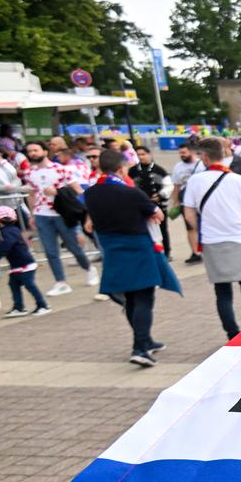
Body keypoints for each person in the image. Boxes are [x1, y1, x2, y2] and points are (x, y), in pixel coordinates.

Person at [83, 149, 179, 367]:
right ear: (121, 168)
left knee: (130, 299)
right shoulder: (132, 193)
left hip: (111, 249)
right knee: (144, 297)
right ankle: (139, 348)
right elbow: (158, 214)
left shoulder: (91, 193)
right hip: (138, 247)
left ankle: (145, 340)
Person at [182, 138, 241, 339]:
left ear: (205, 157)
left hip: (213, 241)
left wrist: (205, 227)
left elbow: (189, 215)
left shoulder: (194, 181)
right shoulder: (240, 181)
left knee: (223, 293)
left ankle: (232, 334)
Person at [0, 205, 49, 317]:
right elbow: (6, 244)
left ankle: (42, 305)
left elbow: (7, 244)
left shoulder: (7, 232)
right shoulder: (14, 230)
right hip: (19, 265)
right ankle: (19, 307)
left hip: (24, 265)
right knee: (14, 284)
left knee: (29, 284)